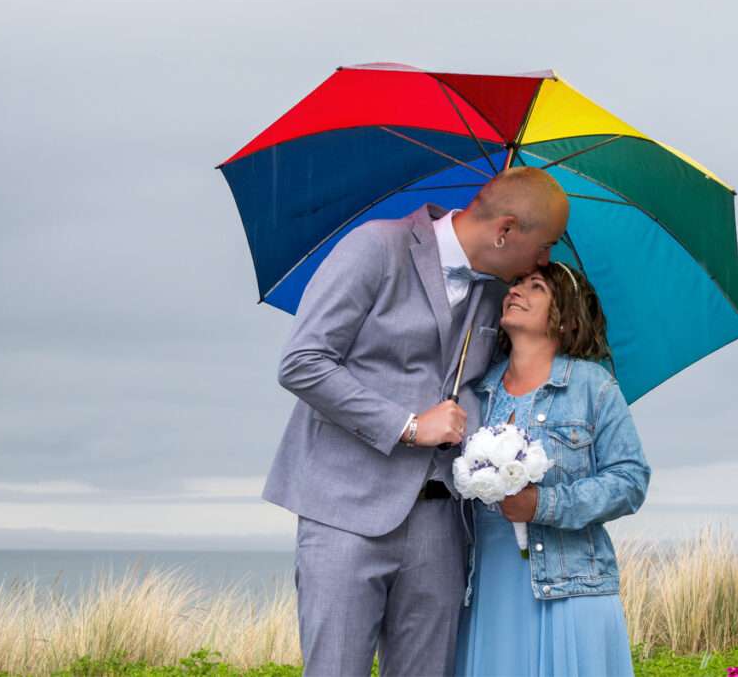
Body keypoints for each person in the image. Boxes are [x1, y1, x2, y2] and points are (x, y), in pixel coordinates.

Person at [262, 167, 570, 677]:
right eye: (545, 245)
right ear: (506, 230)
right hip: (345, 511)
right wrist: (407, 425)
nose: (546, 260)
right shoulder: (374, 248)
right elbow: (303, 362)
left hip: (442, 524)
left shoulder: (499, 295)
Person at [455, 262, 651, 677]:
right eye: (516, 283)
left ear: (565, 318)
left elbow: (630, 479)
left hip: (570, 586)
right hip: (490, 585)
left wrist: (542, 504)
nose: (516, 291)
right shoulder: (475, 393)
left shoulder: (593, 386)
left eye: (536, 286)